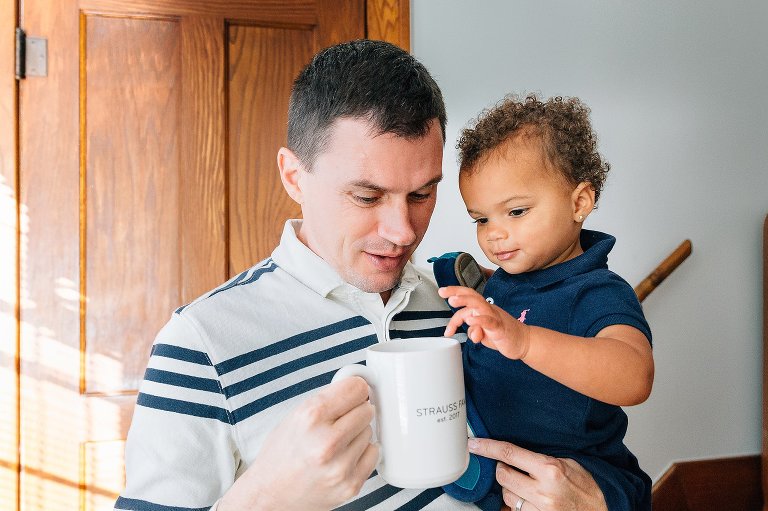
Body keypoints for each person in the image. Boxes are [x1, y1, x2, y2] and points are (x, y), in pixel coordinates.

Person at [114, 42, 611, 511]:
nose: (402, 232)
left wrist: (601, 496)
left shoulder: (466, 305)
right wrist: (269, 496)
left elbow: (573, 429)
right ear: (294, 177)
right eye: (367, 197)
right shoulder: (201, 343)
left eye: (421, 195)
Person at [435, 93, 655, 510]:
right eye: (481, 219)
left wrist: (526, 341)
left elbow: (635, 375)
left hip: (584, 476)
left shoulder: (597, 291)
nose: (493, 234)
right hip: (502, 479)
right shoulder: (508, 282)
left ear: (579, 202)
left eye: (516, 212)